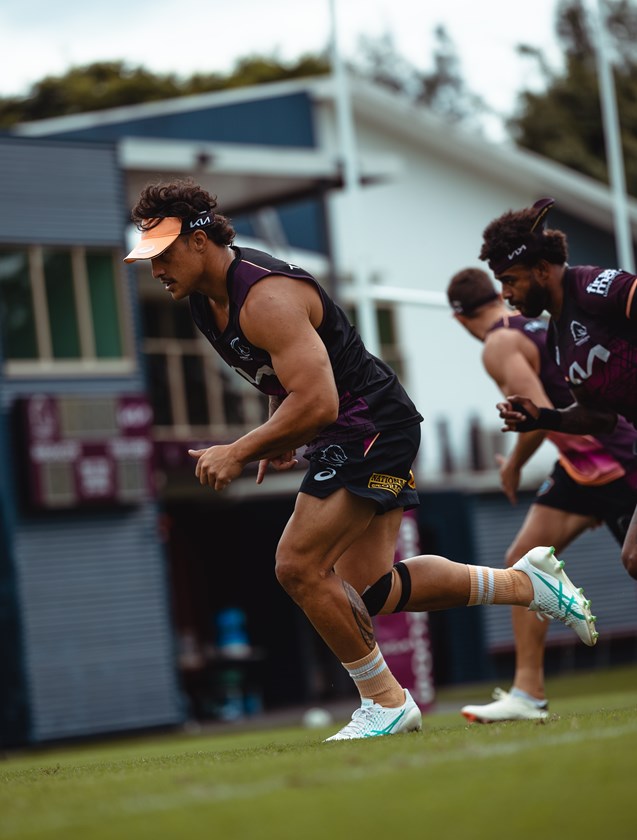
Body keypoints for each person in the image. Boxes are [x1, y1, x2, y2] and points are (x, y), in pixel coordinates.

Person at [124, 179, 597, 741]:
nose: (155, 270)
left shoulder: (265, 297)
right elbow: (285, 375)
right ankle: (528, 585)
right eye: (149, 257)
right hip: (356, 428)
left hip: (368, 426)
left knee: (298, 565)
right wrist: (279, 435)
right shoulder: (205, 300)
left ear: (200, 240)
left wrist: (244, 445)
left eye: (164, 254)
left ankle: (386, 701)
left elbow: (319, 399)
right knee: (370, 589)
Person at [447, 267, 637, 722]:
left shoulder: (498, 343)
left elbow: (539, 411)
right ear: (497, 294)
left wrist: (512, 465)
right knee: (522, 562)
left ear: (458, 319)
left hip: (610, 460)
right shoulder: (536, 324)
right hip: (579, 465)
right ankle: (527, 692)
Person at [478, 196, 637, 582]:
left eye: (510, 280)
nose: (505, 294)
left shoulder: (596, 287)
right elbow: (598, 418)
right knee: (633, 558)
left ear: (542, 270)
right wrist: (541, 417)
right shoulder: (556, 340)